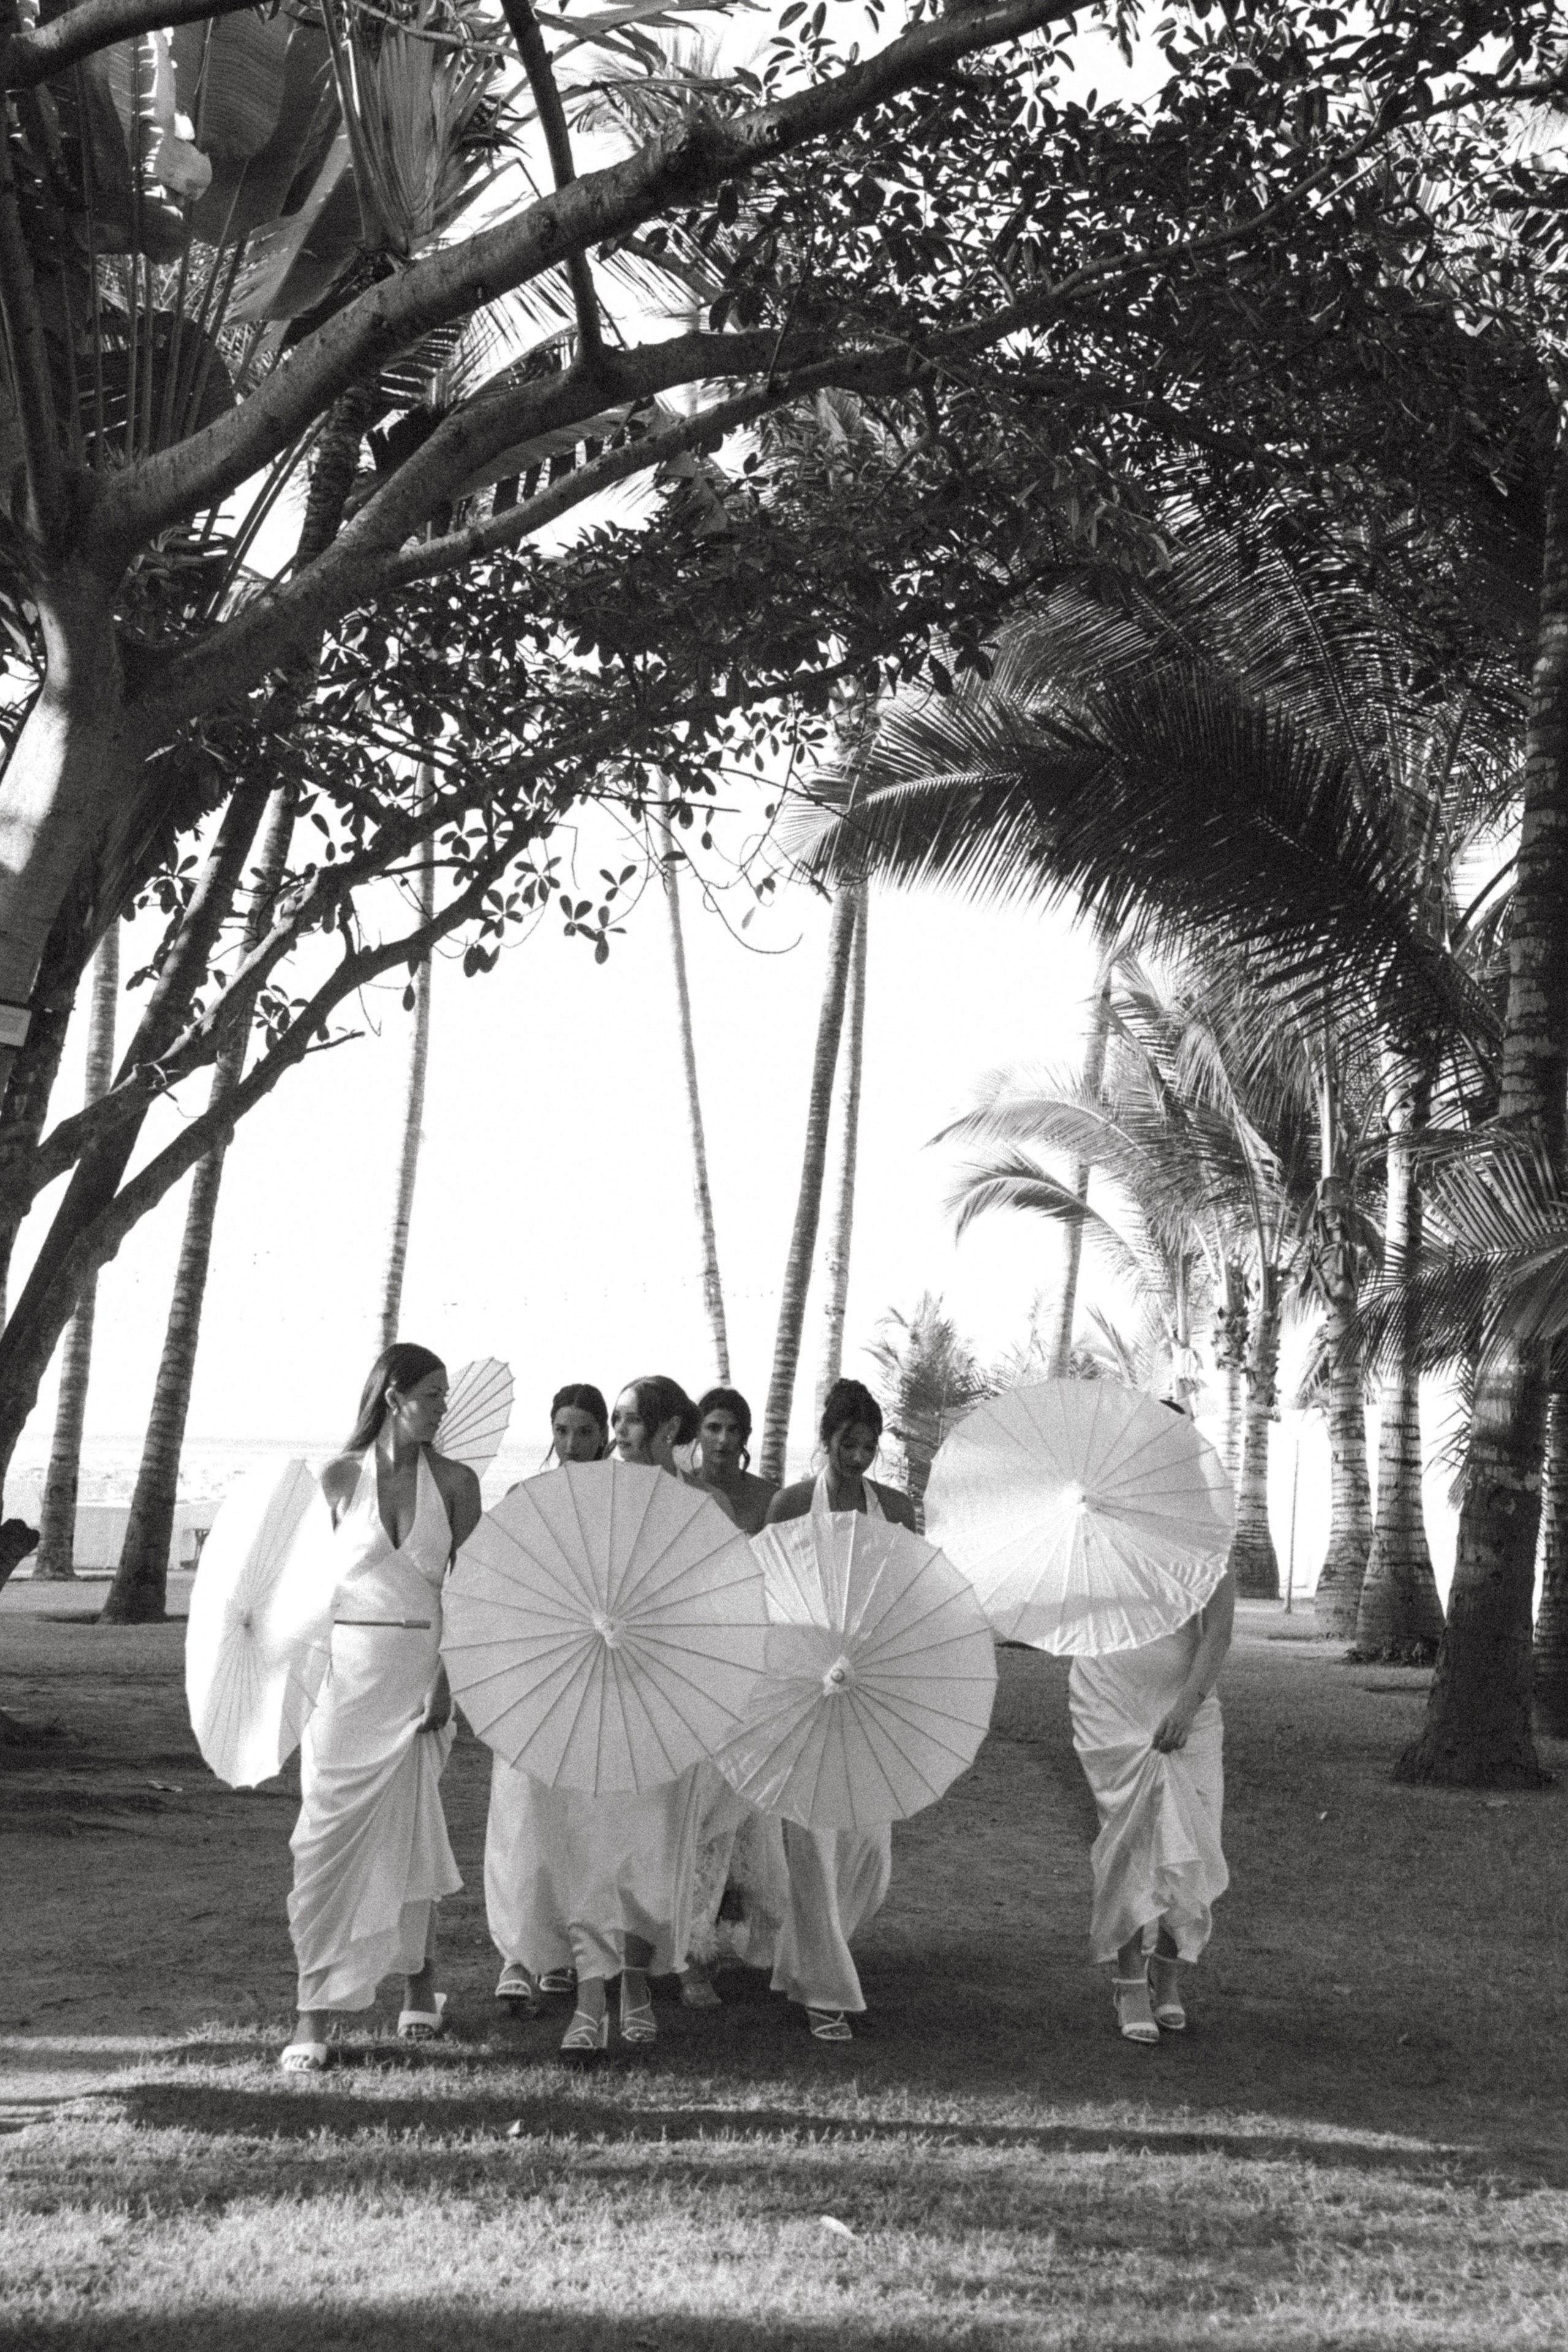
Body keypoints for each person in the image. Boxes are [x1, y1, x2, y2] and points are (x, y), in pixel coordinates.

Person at [489, 1374, 713, 2062]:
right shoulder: (589, 1494)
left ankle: (637, 1985)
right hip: (586, 1694)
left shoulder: (703, 1508)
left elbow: (711, 1608)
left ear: (670, 1431)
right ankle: (590, 1997)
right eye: (612, 1419)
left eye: (628, 1420)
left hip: (662, 1698)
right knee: (586, 1845)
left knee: (648, 1848)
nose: (615, 1432)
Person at [281, 1343, 481, 2072]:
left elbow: (470, 1596)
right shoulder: (336, 1478)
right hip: (342, 1681)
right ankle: (312, 2013)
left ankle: (420, 1985)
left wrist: (448, 1679)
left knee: (412, 1837)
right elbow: (302, 1591)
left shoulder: (457, 1484)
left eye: (445, 1396)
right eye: (431, 1394)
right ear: (393, 1396)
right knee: (324, 1843)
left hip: (419, 1680)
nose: (441, 1407)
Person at [1067, 1398, 1234, 2044]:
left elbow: (1216, 1631)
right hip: (1108, 1696)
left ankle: (1169, 1974)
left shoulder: (1206, 1528)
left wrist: (1188, 1705)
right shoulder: (1095, 1519)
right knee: (1127, 1841)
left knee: (1195, 1843)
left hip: (1184, 1700)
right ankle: (1129, 1983)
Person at [758, 1376, 914, 2041]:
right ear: (826, 1442)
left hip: (872, 1687)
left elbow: (910, 1593)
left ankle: (814, 1951)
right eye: (849, 1443)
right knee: (811, 1839)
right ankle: (826, 1987)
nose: (860, 1455)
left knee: (869, 1850)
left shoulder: (898, 1510)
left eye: (870, 1445)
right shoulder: (791, 1504)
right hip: (801, 1685)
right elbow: (762, 1593)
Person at [487, 1382, 611, 2017]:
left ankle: (564, 1953)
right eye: (562, 1431)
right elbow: (497, 1582)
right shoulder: (523, 1498)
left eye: (584, 1432)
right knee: (520, 1813)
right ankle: (515, 1953)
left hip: (594, 1678)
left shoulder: (620, 1505)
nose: (571, 1445)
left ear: (604, 1436)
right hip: (533, 1672)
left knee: (578, 1820)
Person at [688, 1387, 777, 1536]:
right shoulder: (679, 1489)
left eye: (733, 1430)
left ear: (746, 1435)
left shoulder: (769, 1500)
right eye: (713, 1428)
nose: (723, 1439)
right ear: (697, 1431)